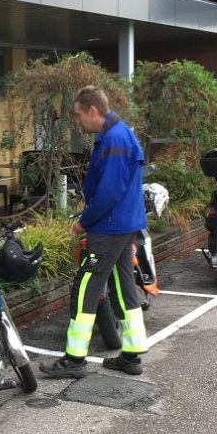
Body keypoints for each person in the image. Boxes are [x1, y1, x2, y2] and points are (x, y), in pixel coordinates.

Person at [40, 85, 148, 379]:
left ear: (92, 110)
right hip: (122, 225)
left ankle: (74, 360)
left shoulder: (114, 138)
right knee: (124, 287)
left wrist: (84, 222)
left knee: (86, 286)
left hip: (109, 226)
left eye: (78, 115)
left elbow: (109, 191)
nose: (77, 121)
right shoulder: (117, 134)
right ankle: (131, 356)